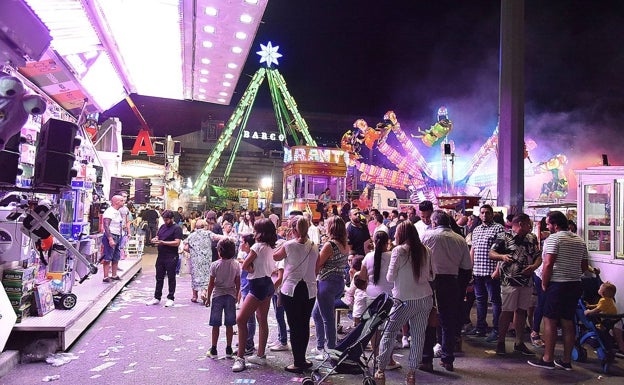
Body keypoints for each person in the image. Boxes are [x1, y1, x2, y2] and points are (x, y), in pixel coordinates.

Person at [528, 211, 589, 370]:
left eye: (548, 224)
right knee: (568, 321)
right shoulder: (579, 240)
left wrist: (544, 283)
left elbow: (548, 264)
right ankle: (566, 361)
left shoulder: (553, 239)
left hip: (556, 285)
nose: (547, 227)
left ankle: (548, 359)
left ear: (555, 224)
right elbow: (584, 266)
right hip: (574, 284)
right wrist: (571, 274)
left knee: (550, 321)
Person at [375, 221, 433, 385]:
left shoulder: (398, 251)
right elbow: (431, 276)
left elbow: (389, 277)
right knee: (418, 337)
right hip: (425, 299)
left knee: (389, 333)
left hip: (403, 301)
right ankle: (411, 374)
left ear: (401, 235)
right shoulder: (426, 250)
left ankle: (380, 370)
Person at [420, 210, 472, 372]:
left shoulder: (427, 236)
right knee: (448, 321)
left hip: (431, 282)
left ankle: (426, 359)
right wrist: (461, 289)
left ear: (434, 223)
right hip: (452, 282)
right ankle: (448, 358)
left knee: (429, 320)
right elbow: (466, 267)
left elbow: (420, 262)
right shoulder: (460, 239)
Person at [489, 213, 541, 356]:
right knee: (507, 311)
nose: (530, 226)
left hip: (527, 281)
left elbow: (538, 257)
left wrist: (534, 267)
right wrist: (502, 257)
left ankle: (519, 342)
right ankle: (501, 341)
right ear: (520, 224)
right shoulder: (504, 237)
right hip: (509, 281)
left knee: (521, 311)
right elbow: (491, 253)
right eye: (528, 224)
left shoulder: (531, 238)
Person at [273, 215, 319, 373]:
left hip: (291, 289)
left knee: (293, 325)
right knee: (304, 324)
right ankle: (303, 358)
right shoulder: (315, 246)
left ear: (293, 229)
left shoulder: (289, 245)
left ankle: (297, 361)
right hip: (309, 289)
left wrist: (287, 239)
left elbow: (274, 256)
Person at [232, 219, 278, 372]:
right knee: (262, 319)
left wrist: (251, 270)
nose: (254, 232)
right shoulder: (271, 247)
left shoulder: (257, 247)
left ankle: (240, 357)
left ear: (260, 233)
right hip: (268, 284)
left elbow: (245, 266)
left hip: (257, 286)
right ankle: (260, 355)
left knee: (241, 319)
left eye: (256, 230)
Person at [360, 230, 400, 368]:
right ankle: (388, 360)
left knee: (373, 329)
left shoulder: (368, 257)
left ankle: (377, 358)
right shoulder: (393, 255)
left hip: (372, 296)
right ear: (387, 241)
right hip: (390, 297)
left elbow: (362, 278)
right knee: (389, 329)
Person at [312, 215, 350, 359]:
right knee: (317, 314)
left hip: (326, 282)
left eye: (327, 225)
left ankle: (330, 350)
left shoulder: (330, 245)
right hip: (339, 281)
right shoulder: (345, 245)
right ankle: (320, 346)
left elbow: (319, 264)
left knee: (327, 318)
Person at [467, 204, 505, 342]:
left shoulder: (499, 228)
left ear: (492, 214)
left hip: (491, 272)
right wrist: (470, 269)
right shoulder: (476, 230)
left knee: (495, 301)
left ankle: (496, 329)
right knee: (480, 301)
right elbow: (473, 250)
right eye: (482, 212)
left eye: (487, 212)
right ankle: (480, 327)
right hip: (478, 271)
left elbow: (502, 251)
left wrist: (498, 269)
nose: (484, 215)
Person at [205, 238, 240, 359]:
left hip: (217, 296)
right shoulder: (236, 265)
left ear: (219, 251)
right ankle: (229, 349)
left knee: (216, 324)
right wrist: (237, 295)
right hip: (230, 295)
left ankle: (214, 349)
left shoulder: (214, 265)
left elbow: (211, 284)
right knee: (229, 324)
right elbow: (238, 283)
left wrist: (208, 298)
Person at [145, 210, 183, 307]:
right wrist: (155, 239)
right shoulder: (162, 227)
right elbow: (158, 236)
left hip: (171, 256)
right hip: (161, 255)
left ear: (172, 219)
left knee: (171, 277)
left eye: (167, 220)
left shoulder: (177, 228)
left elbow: (177, 242)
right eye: (164, 220)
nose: (165, 221)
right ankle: (157, 297)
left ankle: (170, 297)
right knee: (159, 277)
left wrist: (163, 242)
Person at [184, 219, 215, 303]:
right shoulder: (208, 233)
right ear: (204, 226)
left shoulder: (191, 235)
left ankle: (194, 296)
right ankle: (204, 293)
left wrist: (194, 251)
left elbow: (185, 248)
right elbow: (217, 237)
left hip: (195, 259)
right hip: (206, 258)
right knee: (206, 276)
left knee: (195, 276)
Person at [101, 195, 125, 283]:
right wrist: (110, 238)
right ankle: (105, 276)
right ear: (116, 202)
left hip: (118, 236)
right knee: (108, 256)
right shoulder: (109, 212)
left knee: (116, 256)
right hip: (111, 235)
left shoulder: (117, 212)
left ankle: (114, 275)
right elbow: (106, 225)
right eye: (122, 200)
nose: (124, 202)